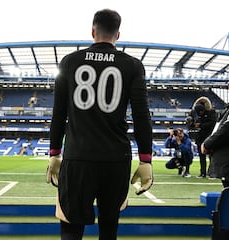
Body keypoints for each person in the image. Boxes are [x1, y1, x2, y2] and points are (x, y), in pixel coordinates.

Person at [46, 9, 153, 240]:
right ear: (118, 34)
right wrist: (146, 159)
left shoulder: (69, 62)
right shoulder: (133, 65)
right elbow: (142, 116)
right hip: (115, 159)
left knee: (71, 228)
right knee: (109, 228)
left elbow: (58, 114)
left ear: (92, 31)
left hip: (78, 158)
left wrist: (54, 152)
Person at [187, 97, 217, 178]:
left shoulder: (211, 112)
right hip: (200, 136)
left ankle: (212, 173)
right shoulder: (195, 112)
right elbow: (190, 122)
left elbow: (212, 124)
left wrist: (200, 125)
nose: (200, 113)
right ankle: (203, 173)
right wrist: (191, 123)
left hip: (209, 136)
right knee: (202, 156)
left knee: (211, 156)